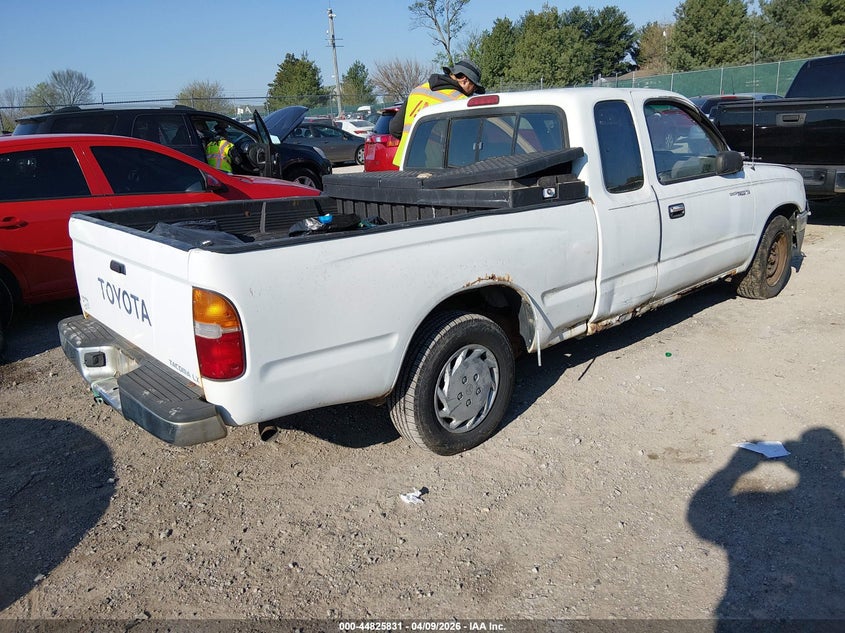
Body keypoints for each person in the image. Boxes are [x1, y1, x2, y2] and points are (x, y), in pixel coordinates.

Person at [389, 59, 484, 166]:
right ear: (464, 81)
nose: (473, 92)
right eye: (474, 87)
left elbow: (395, 129)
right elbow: (463, 145)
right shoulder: (460, 102)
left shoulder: (418, 91)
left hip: (405, 163)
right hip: (434, 168)